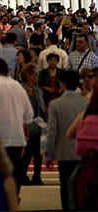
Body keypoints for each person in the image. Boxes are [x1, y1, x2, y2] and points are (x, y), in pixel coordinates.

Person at [0, 58, 33, 195]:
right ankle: (14, 198)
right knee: (13, 172)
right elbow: (29, 114)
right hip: (16, 137)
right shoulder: (17, 86)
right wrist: (24, 126)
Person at [43, 70, 88, 210]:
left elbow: (52, 132)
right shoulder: (86, 103)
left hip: (64, 153)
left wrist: (48, 155)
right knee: (81, 187)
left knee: (65, 186)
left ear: (62, 84)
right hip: (84, 152)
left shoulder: (56, 104)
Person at [18, 63, 46, 186]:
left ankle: (37, 176)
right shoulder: (20, 90)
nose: (37, 76)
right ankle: (22, 175)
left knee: (38, 152)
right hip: (26, 124)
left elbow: (42, 107)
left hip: (38, 123)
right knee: (28, 151)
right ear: (29, 75)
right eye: (35, 73)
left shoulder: (37, 90)